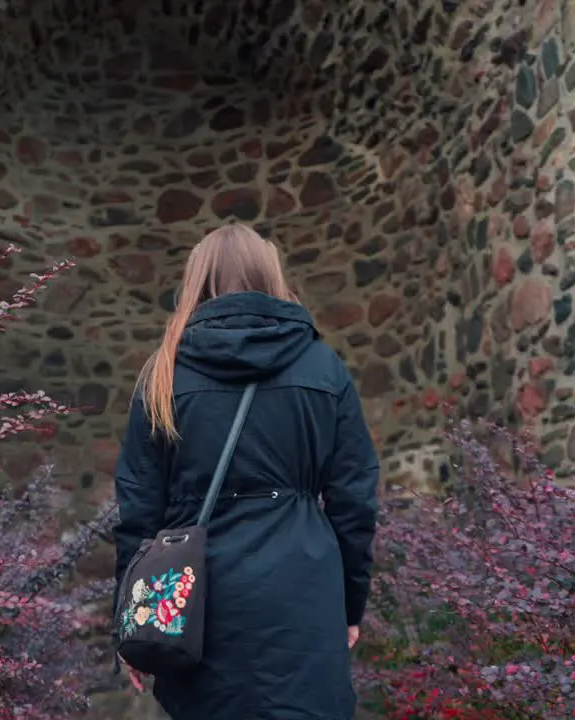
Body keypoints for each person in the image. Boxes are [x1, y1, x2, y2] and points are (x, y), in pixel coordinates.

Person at [112, 223, 380, 719]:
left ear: (197, 282)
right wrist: (349, 605)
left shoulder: (165, 375)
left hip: (199, 604)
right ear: (271, 275)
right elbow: (355, 501)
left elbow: (137, 511)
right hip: (305, 594)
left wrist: (129, 622)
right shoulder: (324, 368)